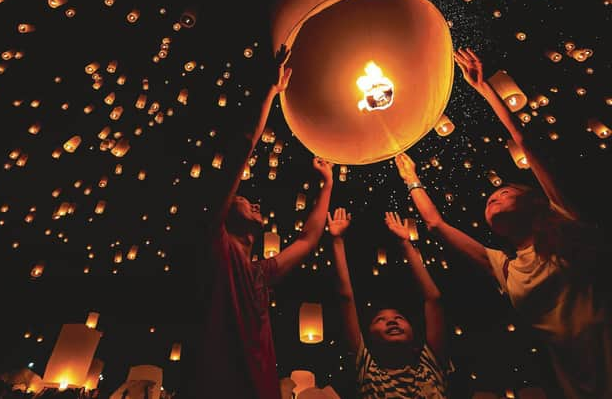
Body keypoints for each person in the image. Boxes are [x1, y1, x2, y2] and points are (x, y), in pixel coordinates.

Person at [393, 48, 611, 399]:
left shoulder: (567, 222)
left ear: (534, 202)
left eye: (505, 191)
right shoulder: (505, 266)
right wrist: (411, 177)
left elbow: (526, 143)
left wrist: (484, 89)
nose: (492, 197)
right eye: (490, 199)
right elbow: (434, 224)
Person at [191, 44, 335, 399]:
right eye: (241, 199)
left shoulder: (258, 273)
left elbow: (307, 239)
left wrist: (327, 183)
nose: (253, 201)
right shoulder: (215, 247)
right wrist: (269, 93)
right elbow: (239, 153)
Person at [328, 207, 452, 398]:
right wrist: (337, 240)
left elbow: (433, 299)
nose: (392, 321)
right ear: (368, 339)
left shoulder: (431, 367)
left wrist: (405, 243)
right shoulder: (368, 373)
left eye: (399, 317)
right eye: (380, 320)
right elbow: (346, 298)